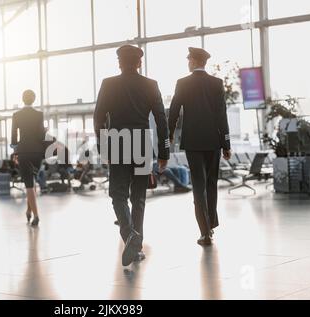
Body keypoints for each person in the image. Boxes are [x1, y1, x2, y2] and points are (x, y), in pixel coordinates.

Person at [94, 45, 170, 267]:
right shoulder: (151, 85)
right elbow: (161, 120)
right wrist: (164, 153)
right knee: (138, 198)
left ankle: (130, 236)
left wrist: (103, 147)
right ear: (139, 63)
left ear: (119, 62)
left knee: (117, 194)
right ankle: (135, 244)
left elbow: (98, 118)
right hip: (141, 144)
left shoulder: (108, 84)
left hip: (117, 142)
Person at [168, 47, 232, 246]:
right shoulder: (216, 83)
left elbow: (174, 111)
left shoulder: (183, 83)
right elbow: (222, 114)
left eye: (189, 60)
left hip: (193, 142)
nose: (188, 63)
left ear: (194, 61)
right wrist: (226, 144)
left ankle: (205, 232)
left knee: (198, 185)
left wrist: (169, 134)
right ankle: (210, 225)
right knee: (211, 184)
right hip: (214, 141)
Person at [11, 90, 46, 227]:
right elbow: (42, 136)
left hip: (24, 152)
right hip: (37, 153)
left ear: (22, 98)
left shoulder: (17, 115)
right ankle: (28, 210)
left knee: (29, 185)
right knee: (32, 183)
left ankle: (36, 216)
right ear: (34, 99)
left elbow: (14, 136)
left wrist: (15, 152)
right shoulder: (39, 115)